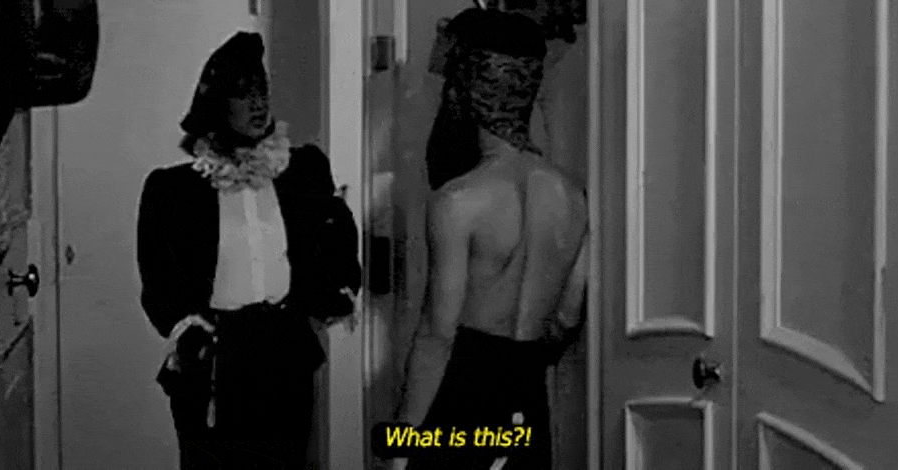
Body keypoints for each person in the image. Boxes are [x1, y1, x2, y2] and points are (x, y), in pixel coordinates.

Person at [135, 31, 361, 468]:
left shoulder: (303, 170)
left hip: (284, 356)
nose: (258, 104)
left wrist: (337, 291)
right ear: (218, 103)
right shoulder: (172, 189)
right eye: (243, 94)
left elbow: (336, 240)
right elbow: (158, 282)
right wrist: (190, 336)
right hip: (214, 360)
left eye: (262, 91)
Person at [396, 7, 589, 469]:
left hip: (464, 400)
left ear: (465, 91)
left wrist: (402, 446)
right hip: (527, 400)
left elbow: (437, 336)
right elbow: (567, 314)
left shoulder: (458, 201)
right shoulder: (572, 196)